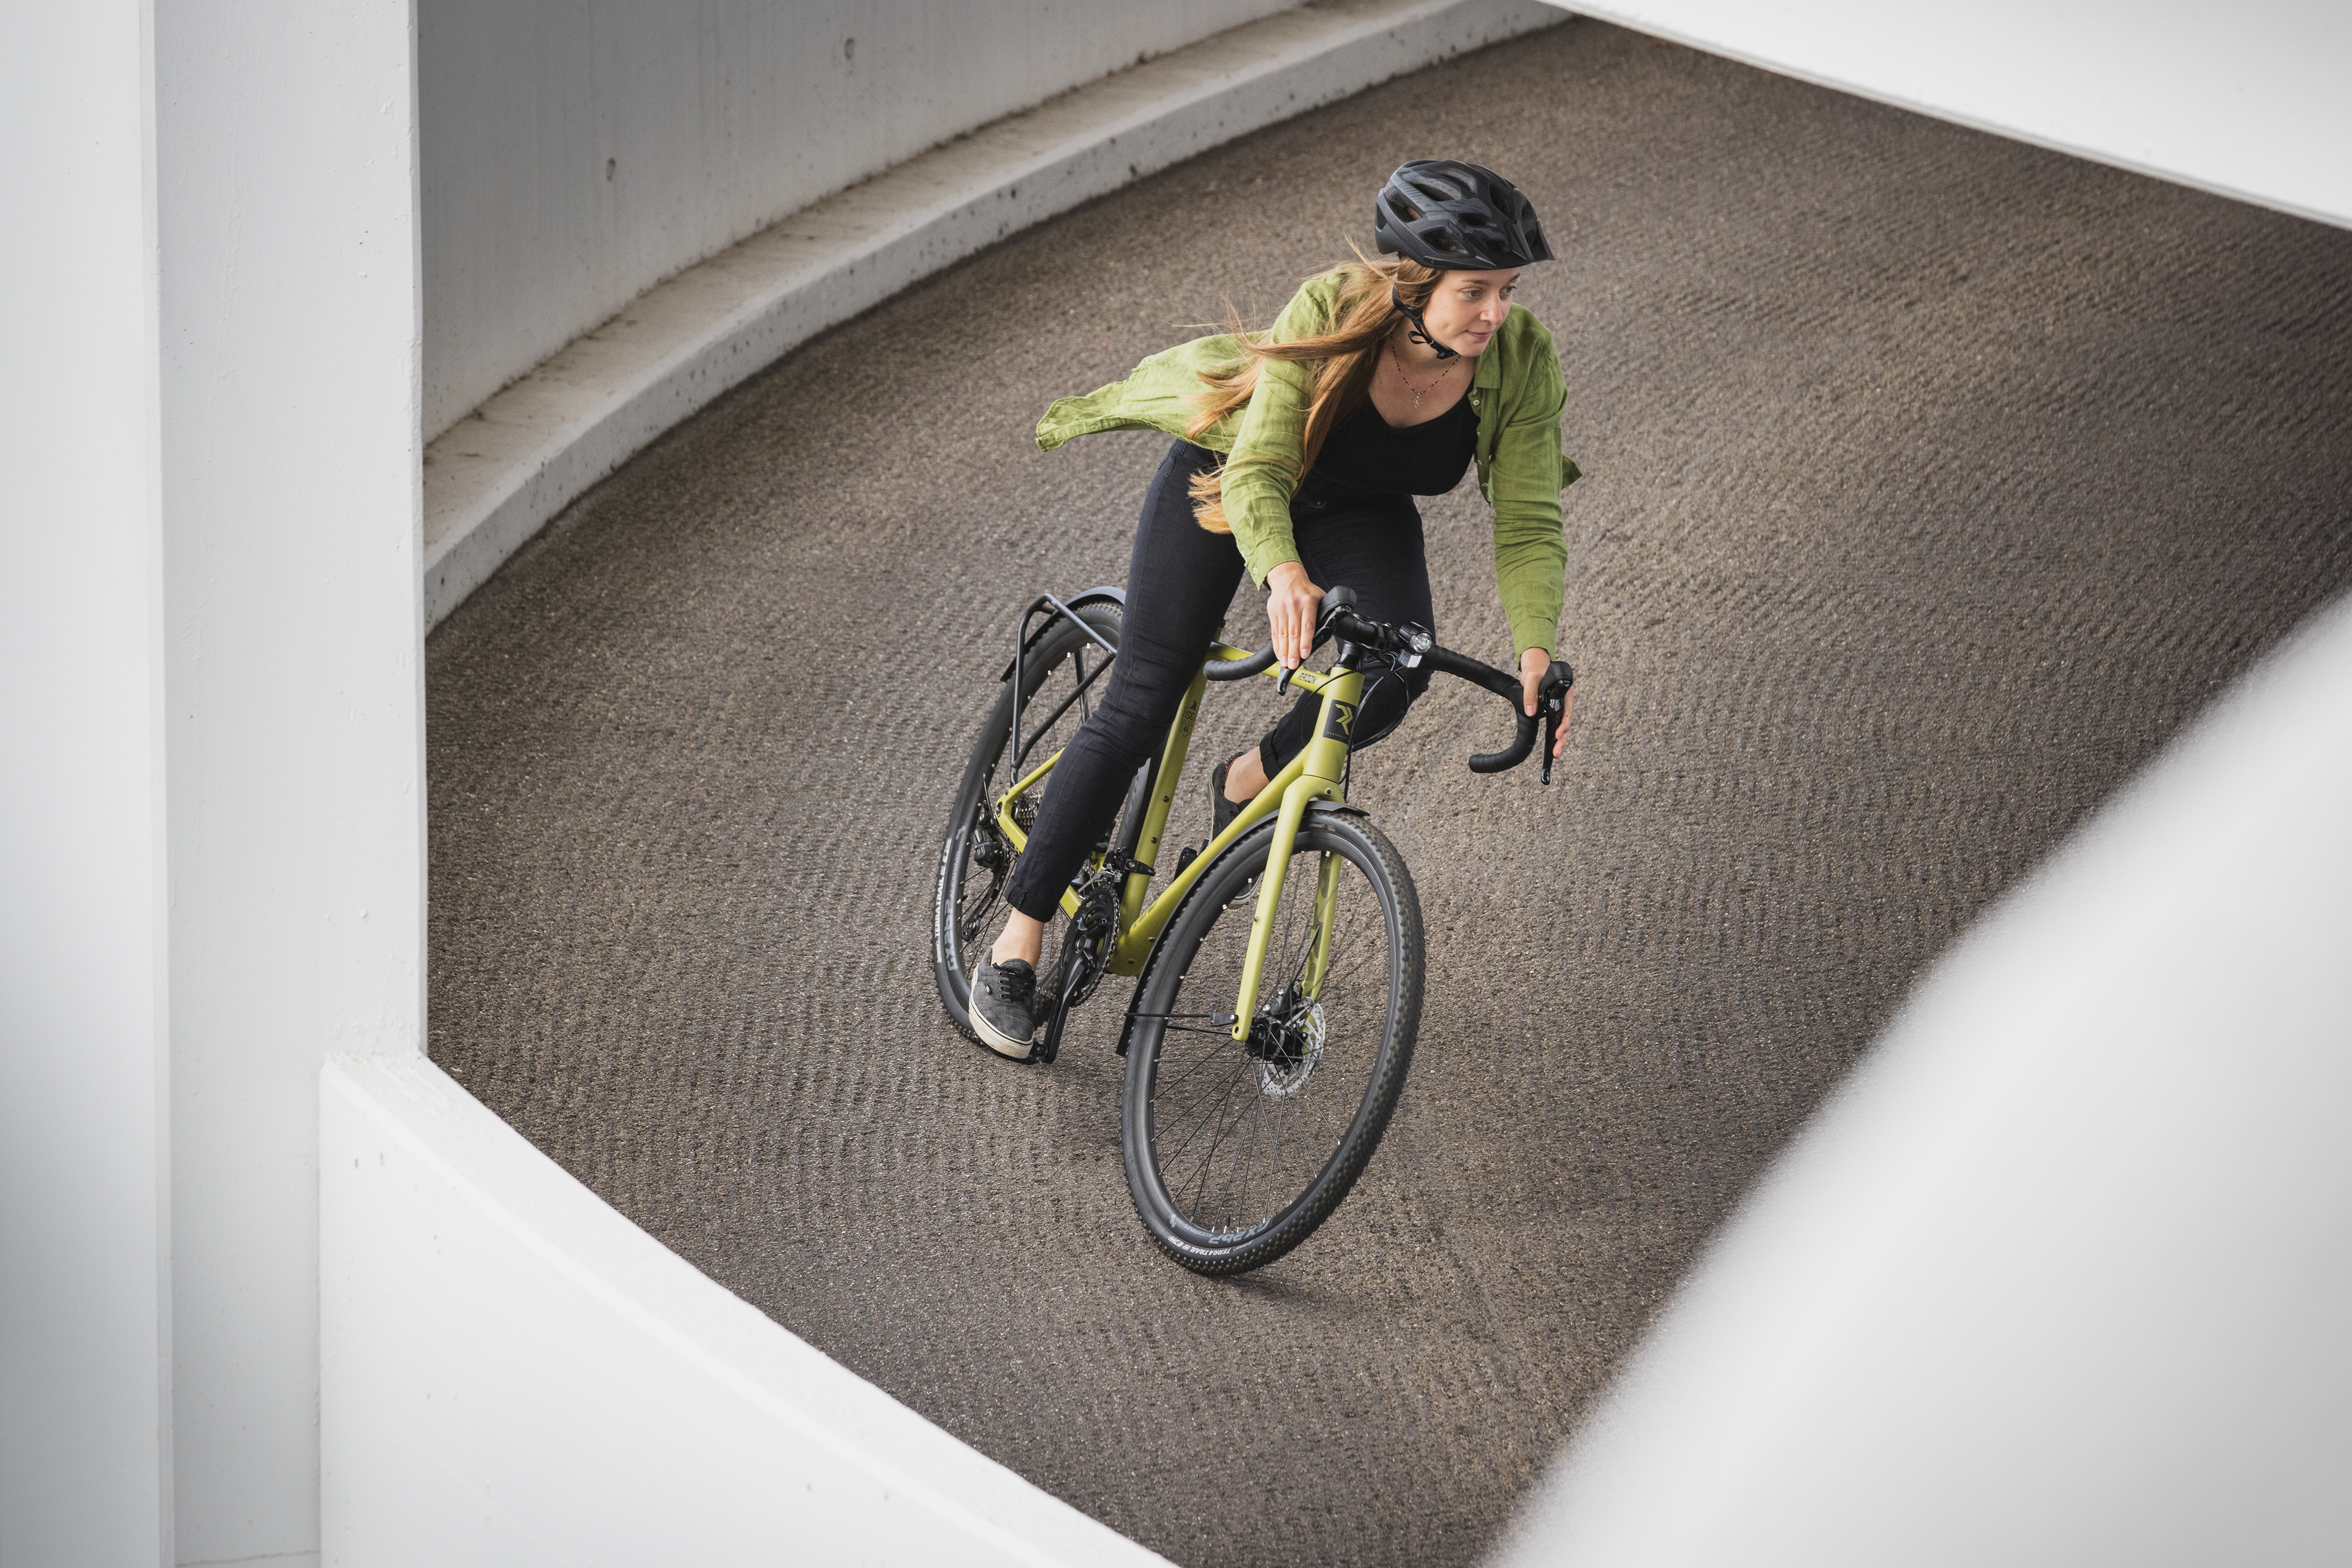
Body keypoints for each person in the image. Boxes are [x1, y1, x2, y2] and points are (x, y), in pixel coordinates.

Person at [968, 160, 1580, 1057]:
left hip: (1360, 508)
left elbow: (1528, 521)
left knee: (1395, 669)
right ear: (1414, 285)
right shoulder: (1331, 312)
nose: (1497, 313)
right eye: (1475, 292)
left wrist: (1535, 650)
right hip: (1235, 478)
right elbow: (1257, 470)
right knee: (1145, 695)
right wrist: (1282, 574)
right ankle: (1015, 943)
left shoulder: (1519, 357)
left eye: (1508, 290)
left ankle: (1249, 777)